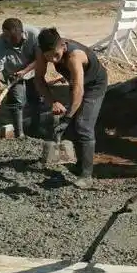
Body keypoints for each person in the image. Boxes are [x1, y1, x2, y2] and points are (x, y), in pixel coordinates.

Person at [34, 27, 109, 189]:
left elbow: (79, 90)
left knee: (83, 125)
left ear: (63, 46)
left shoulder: (74, 56)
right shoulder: (42, 52)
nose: (53, 60)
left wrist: (67, 118)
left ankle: (87, 176)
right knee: (74, 121)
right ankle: (79, 165)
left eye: (56, 55)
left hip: (94, 85)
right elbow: (38, 79)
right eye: (49, 57)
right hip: (76, 82)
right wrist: (52, 101)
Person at [0, 18, 41, 139]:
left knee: (36, 99)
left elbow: (41, 58)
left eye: (13, 38)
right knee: (16, 102)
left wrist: (25, 71)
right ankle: (19, 135)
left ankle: (36, 129)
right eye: (7, 37)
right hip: (13, 73)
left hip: (33, 69)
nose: (10, 41)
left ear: (22, 32)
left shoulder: (34, 35)